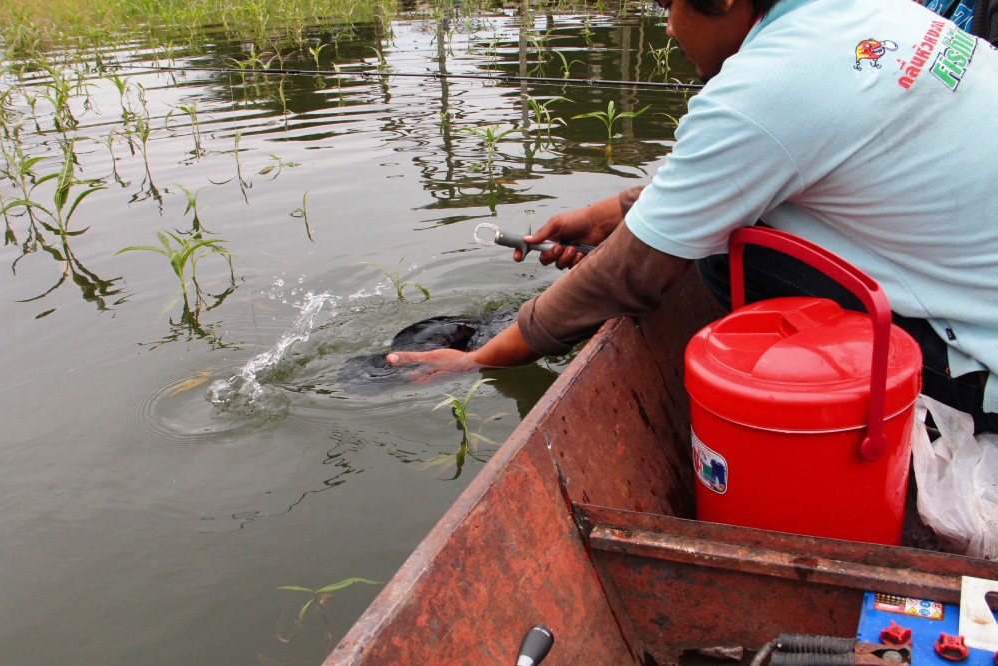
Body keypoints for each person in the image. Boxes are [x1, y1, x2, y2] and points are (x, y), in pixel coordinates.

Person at [388, 0, 998, 434]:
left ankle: (818, 406)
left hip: (979, 371)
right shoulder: (859, 11)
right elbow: (754, 161)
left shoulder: (763, 87)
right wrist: (607, 215)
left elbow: (629, 274)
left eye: (668, 4)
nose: (671, 28)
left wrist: (481, 359)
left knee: (718, 248)